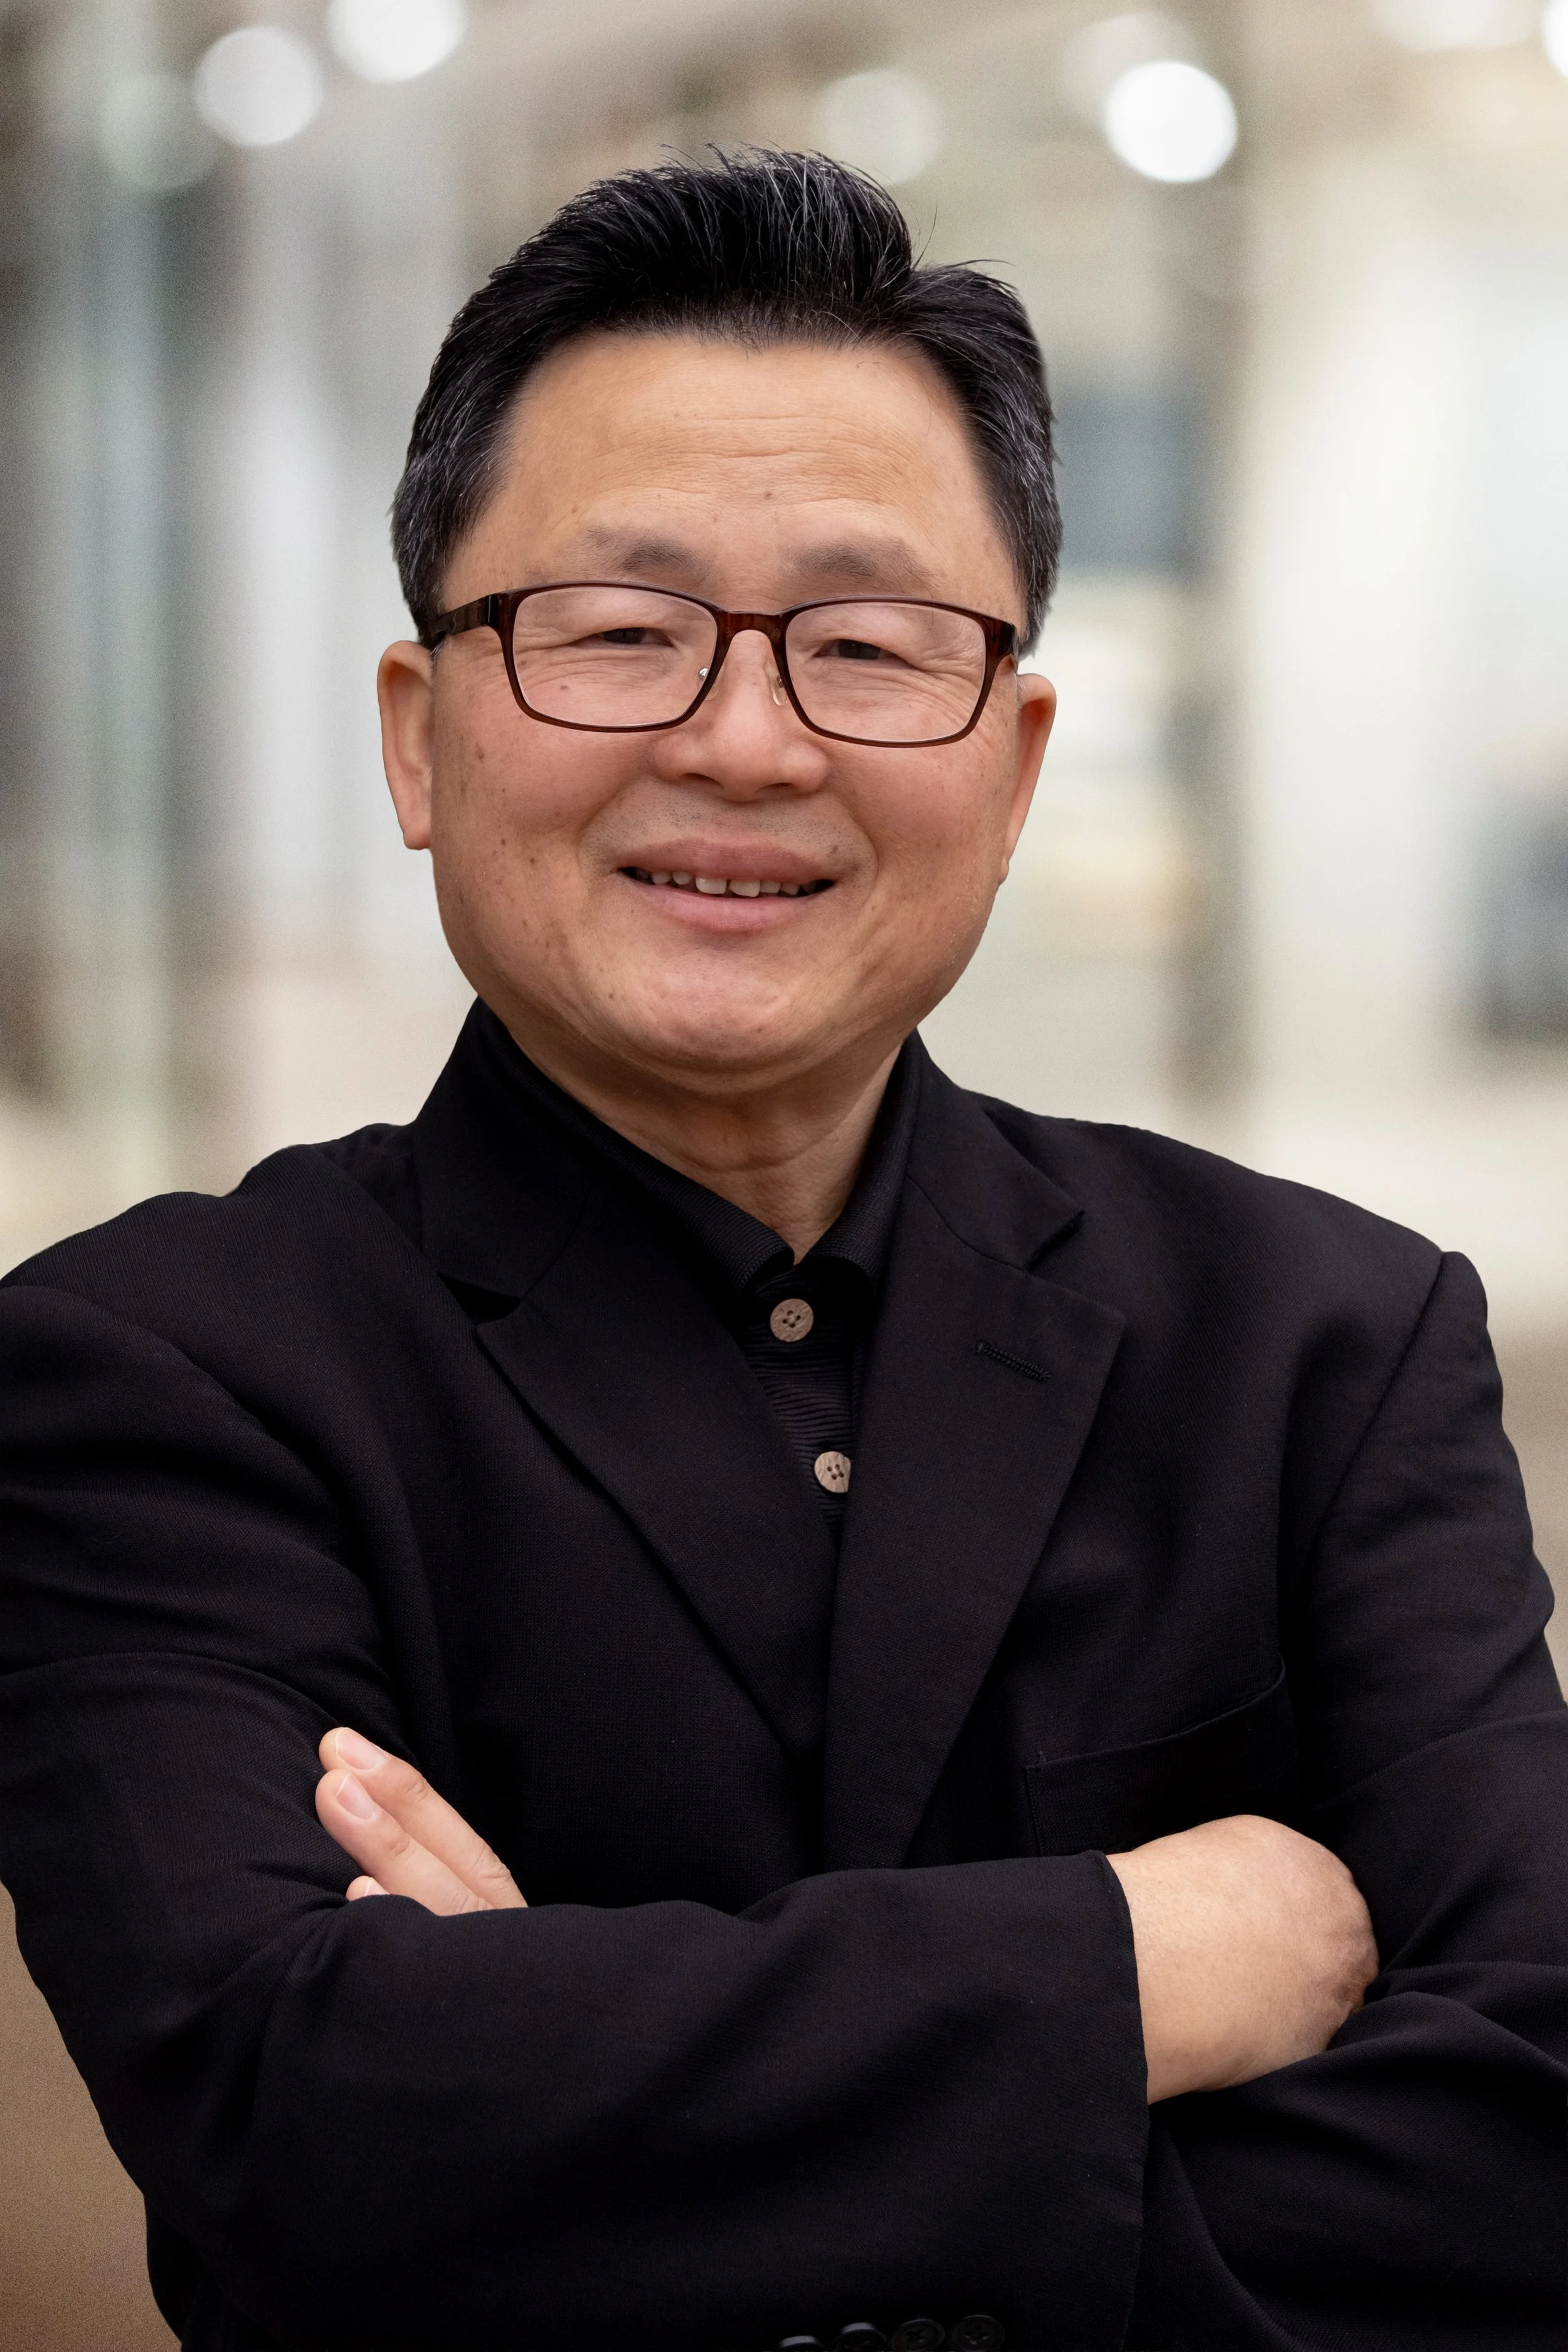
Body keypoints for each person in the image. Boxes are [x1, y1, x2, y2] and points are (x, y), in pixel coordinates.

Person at [0, 149, 1562, 2352]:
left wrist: (564, 2126)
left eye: (867, 645)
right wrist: (1134, 1964)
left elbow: (1525, 2146)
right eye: (618, 630)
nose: (744, 740)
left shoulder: (1323, 1334)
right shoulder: (147, 1372)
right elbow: (296, 2117)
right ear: (419, 732)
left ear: (1012, 767)